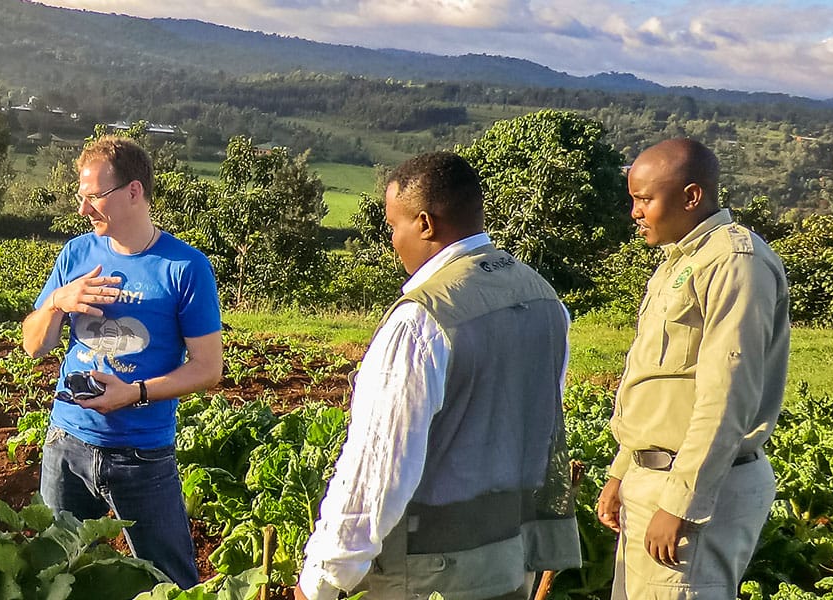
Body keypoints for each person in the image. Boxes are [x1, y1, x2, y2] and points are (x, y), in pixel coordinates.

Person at [296, 151, 581, 600]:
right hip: (511, 558)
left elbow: (378, 468)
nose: (393, 241)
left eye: (394, 226)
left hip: (431, 571)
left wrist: (323, 578)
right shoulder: (545, 300)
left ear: (426, 224)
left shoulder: (421, 321)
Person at [20, 136, 224, 588]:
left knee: (171, 583)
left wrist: (134, 393)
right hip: (67, 444)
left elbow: (208, 368)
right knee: (54, 578)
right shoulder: (76, 254)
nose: (83, 209)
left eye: (94, 197)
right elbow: (34, 346)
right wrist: (56, 301)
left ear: (134, 191)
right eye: (81, 196)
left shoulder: (185, 268)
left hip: (142, 454)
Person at [598, 139, 789, 599]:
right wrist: (622, 471)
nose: (635, 213)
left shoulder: (734, 263)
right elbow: (658, 383)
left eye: (644, 199)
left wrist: (682, 504)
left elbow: (727, 395)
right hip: (652, 480)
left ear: (691, 196)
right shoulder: (680, 261)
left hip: (694, 490)